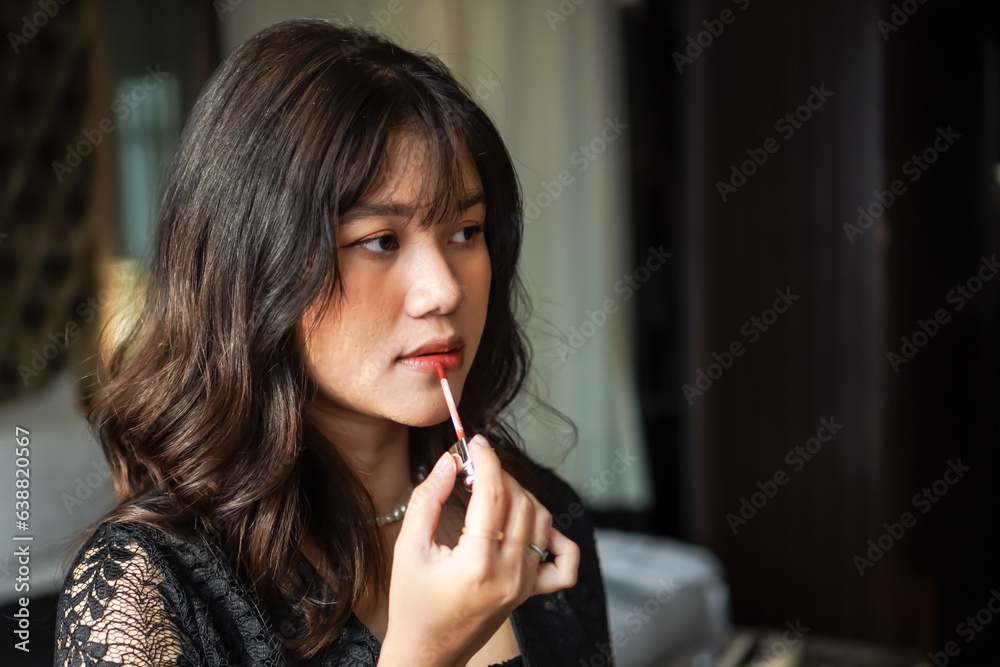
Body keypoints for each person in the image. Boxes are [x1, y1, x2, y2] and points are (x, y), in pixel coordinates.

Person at [53, 18, 613, 667]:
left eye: (466, 231)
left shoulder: (543, 519)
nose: (443, 291)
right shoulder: (142, 588)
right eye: (380, 240)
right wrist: (426, 652)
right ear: (254, 266)